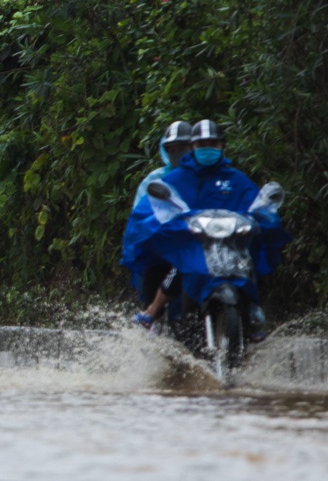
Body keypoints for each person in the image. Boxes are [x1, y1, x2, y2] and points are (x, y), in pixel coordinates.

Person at [122, 120, 287, 338]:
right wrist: (177, 226)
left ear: (222, 146)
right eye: (201, 144)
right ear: (193, 147)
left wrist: (259, 220)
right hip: (194, 245)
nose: (207, 148)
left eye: (213, 143)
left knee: (251, 262)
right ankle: (153, 311)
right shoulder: (175, 179)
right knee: (180, 265)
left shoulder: (236, 179)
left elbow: (255, 206)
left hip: (232, 246)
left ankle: (253, 313)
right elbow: (152, 209)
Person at [126, 122, 198, 326]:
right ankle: (153, 315)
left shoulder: (208, 175)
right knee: (158, 270)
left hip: (209, 239)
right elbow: (141, 217)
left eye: (182, 147)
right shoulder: (156, 180)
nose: (177, 153)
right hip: (169, 245)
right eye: (171, 149)